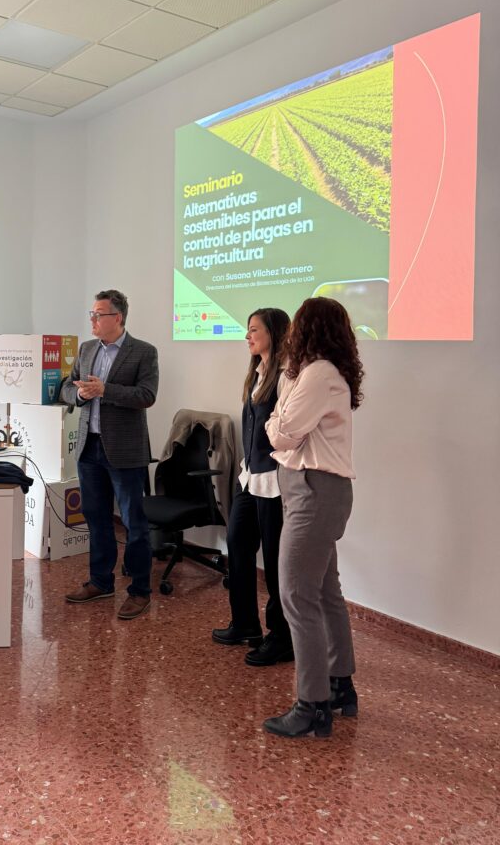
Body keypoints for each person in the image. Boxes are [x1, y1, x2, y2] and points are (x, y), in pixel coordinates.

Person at [262, 296, 363, 738]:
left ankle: (313, 705)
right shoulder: (310, 372)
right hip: (312, 490)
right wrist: (280, 417)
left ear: (306, 329)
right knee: (324, 592)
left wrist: (277, 422)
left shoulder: (319, 373)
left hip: (314, 492)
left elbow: (282, 432)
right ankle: (340, 686)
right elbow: (283, 422)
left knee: (296, 596)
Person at [59, 290, 159, 620]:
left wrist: (106, 390)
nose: (92, 319)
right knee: (97, 517)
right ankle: (101, 582)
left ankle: (140, 591)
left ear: (117, 317)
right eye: (91, 313)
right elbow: (66, 388)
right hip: (90, 447)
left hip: (125, 450)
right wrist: (81, 396)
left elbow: (147, 395)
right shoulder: (87, 349)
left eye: (98, 314)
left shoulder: (144, 352)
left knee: (133, 522)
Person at [212, 308, 294, 667]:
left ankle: (282, 637)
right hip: (250, 477)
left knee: (275, 562)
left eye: (254, 330)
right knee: (237, 544)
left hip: (274, 481)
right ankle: (245, 623)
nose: (248, 336)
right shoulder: (257, 373)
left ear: (274, 333)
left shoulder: (287, 377)